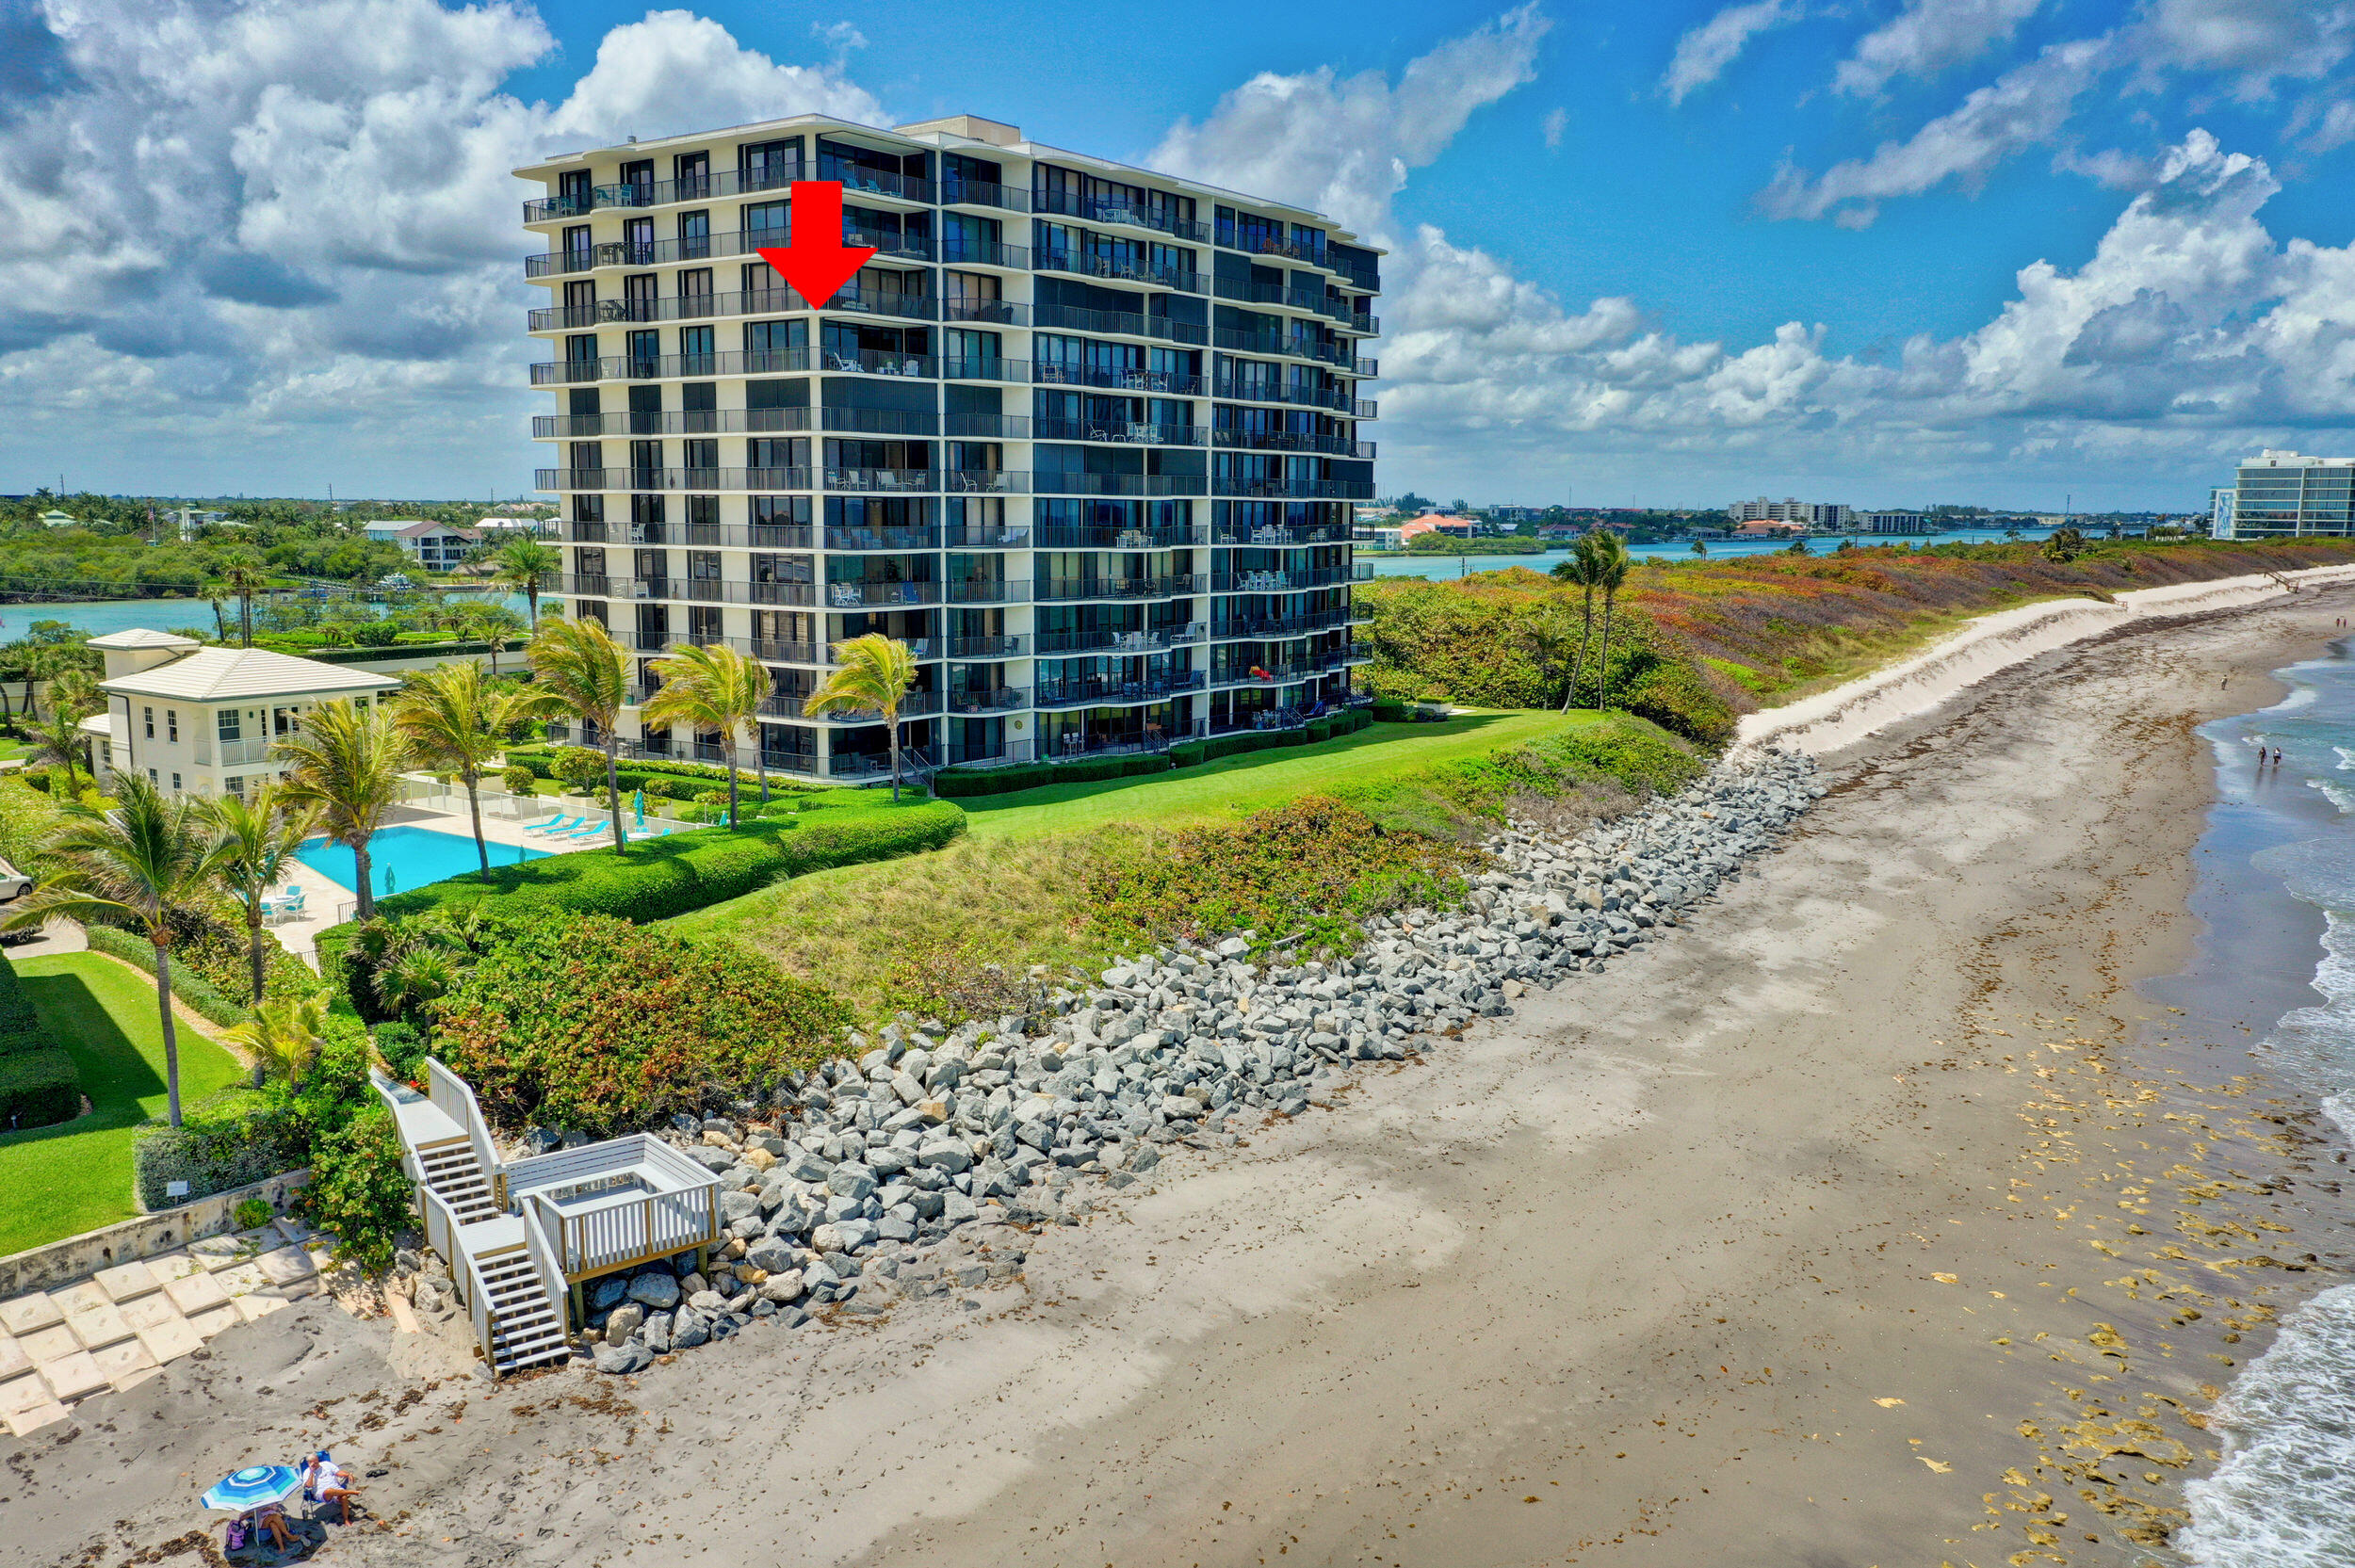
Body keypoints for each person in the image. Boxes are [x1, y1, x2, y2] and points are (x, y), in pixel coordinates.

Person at [305, 1451, 361, 1525]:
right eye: (312, 1463)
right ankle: (352, 1492)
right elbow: (308, 1485)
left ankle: (346, 1519)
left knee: (344, 1498)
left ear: (318, 1460)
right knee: (329, 1491)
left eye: (316, 1462)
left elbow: (338, 1472)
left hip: (336, 1488)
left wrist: (348, 1474)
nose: (315, 1465)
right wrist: (312, 1472)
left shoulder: (326, 1464)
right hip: (322, 1493)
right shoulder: (307, 1472)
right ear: (308, 1463)